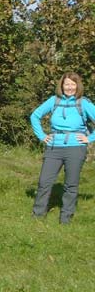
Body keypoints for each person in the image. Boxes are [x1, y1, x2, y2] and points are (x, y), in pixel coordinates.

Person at [30, 72, 95, 224]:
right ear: (62, 85)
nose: (70, 87)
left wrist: (89, 138)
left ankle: (66, 218)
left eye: (73, 84)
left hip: (76, 148)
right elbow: (35, 116)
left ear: (77, 86)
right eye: (67, 84)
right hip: (54, 147)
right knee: (44, 182)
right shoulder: (53, 101)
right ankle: (38, 215)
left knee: (71, 184)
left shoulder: (83, 103)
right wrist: (42, 136)